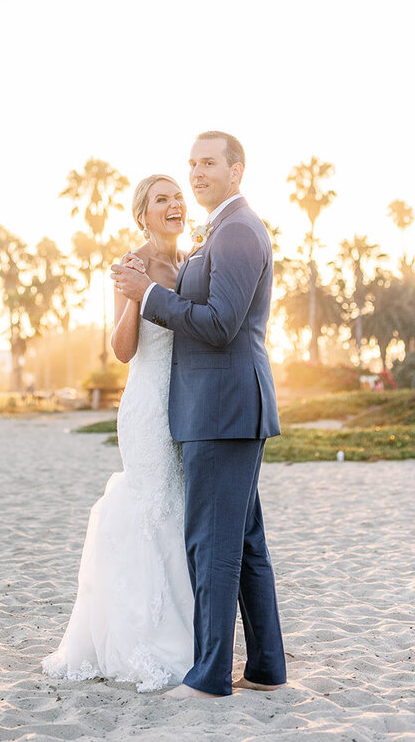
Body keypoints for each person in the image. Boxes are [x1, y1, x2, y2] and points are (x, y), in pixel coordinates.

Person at [112, 131, 286, 699]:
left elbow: (218, 323)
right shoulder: (220, 230)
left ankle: (210, 677)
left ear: (237, 171)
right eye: (192, 163)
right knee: (245, 542)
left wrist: (148, 293)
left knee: (212, 544)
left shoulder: (236, 230)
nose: (197, 173)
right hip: (221, 409)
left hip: (223, 410)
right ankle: (265, 667)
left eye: (208, 163)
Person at [42, 175, 194, 691]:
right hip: (148, 406)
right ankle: (147, 640)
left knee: (182, 512)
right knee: (155, 505)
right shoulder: (131, 264)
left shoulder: (197, 261)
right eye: (161, 199)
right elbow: (123, 351)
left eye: (178, 197)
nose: (173, 205)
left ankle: (191, 635)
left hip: (191, 405)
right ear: (143, 215)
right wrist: (135, 296)